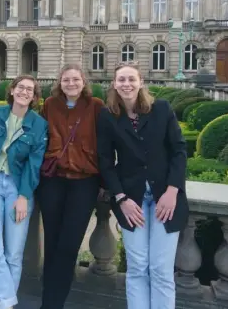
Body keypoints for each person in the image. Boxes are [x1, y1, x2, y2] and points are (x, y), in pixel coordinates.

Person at [97, 62, 188, 309]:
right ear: (114, 84)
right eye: (121, 80)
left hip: (164, 198)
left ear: (141, 82)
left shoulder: (161, 109)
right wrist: (121, 198)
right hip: (131, 199)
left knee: (161, 268)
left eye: (131, 79)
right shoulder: (108, 115)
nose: (126, 84)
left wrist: (172, 191)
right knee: (137, 267)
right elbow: (105, 162)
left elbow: (179, 151)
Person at [37, 63, 105, 309]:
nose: (71, 84)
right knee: (53, 242)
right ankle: (49, 300)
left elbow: (107, 144)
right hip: (53, 181)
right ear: (59, 83)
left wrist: (107, 181)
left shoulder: (96, 106)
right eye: (66, 80)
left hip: (84, 183)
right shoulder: (50, 105)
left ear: (84, 82)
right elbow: (38, 138)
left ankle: (53, 303)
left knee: (68, 246)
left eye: (75, 79)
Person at [0, 75, 48, 309]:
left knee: (14, 254)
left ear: (35, 96)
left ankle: (5, 305)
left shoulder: (39, 124)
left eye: (30, 89)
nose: (24, 92)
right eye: (21, 87)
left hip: (18, 187)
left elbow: (34, 164)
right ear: (12, 90)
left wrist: (23, 196)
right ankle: (8, 302)